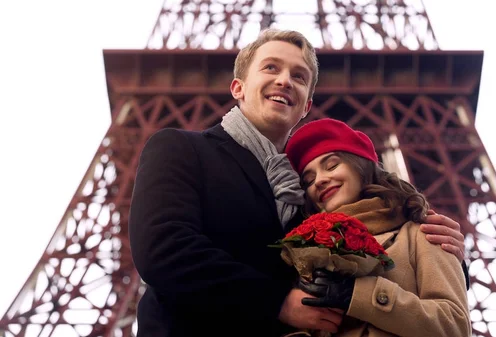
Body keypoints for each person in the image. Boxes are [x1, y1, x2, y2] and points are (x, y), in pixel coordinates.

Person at [128, 28, 467, 337]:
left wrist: (444, 258)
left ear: (306, 106)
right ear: (238, 88)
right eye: (271, 68)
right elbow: (163, 249)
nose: (285, 80)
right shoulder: (181, 147)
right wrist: (277, 302)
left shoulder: (302, 201)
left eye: (299, 76)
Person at [284, 117, 471, 337]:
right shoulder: (306, 253)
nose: (320, 181)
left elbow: (455, 329)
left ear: (360, 167)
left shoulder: (423, 233)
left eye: (332, 165)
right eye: (308, 180)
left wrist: (359, 294)